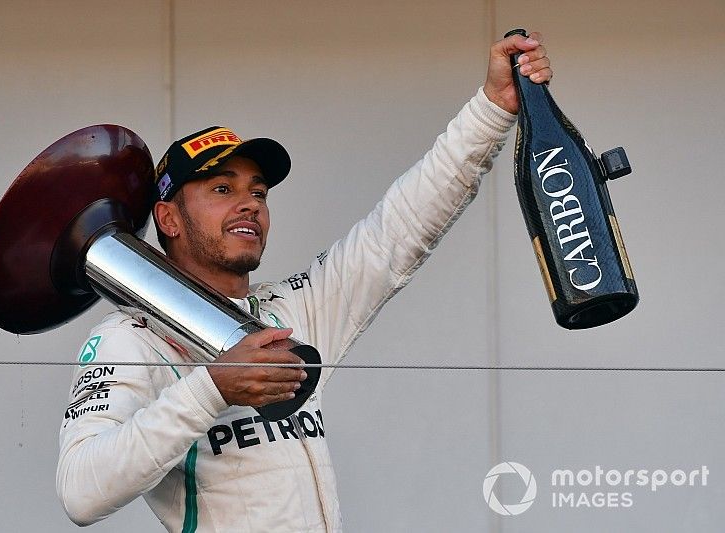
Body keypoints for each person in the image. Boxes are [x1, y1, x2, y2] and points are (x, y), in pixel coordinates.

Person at [57, 32, 553, 532]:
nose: (250, 202)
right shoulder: (129, 337)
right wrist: (212, 388)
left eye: (259, 191)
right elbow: (81, 491)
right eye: (223, 188)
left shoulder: (293, 310)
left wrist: (493, 109)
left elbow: (401, 226)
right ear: (168, 218)